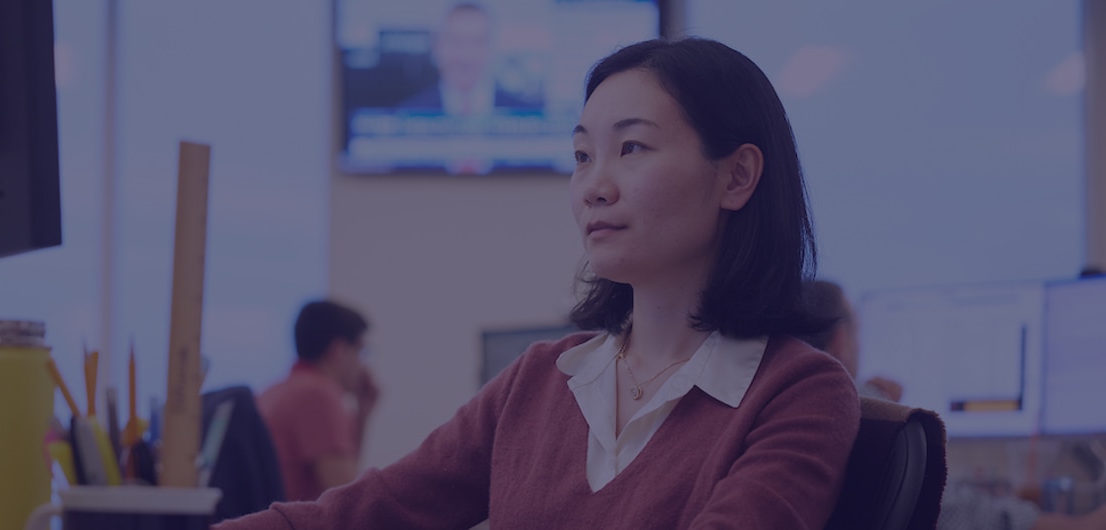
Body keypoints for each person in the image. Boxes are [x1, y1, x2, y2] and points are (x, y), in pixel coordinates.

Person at [214, 37, 859, 529]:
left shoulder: (799, 392)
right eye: (582, 156)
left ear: (737, 177)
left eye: (631, 148)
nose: (593, 186)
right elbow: (368, 511)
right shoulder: (541, 380)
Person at [800, 279, 1106, 530]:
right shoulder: (862, 406)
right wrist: (1081, 525)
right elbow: (950, 510)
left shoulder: (796, 410)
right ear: (842, 341)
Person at [256, 300, 380, 502]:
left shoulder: (274, 390)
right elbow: (348, 499)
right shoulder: (318, 394)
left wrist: (362, 414)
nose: (362, 364)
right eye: (361, 351)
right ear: (340, 351)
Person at [398, 2, 541, 116]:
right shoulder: (408, 114)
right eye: (456, 41)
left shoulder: (525, 115)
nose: (466, 54)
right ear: (438, 46)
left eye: (477, 41)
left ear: (492, 48)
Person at [801, 279, 903, 401]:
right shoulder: (863, 399)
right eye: (856, 332)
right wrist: (888, 404)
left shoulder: (782, 395)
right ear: (841, 340)